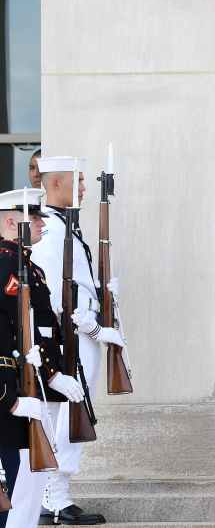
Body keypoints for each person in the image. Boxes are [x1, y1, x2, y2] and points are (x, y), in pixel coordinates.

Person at [31, 157, 122, 525]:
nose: (83, 188)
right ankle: (55, 497)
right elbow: (53, 295)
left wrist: (103, 294)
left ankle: (55, 495)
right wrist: (93, 327)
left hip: (79, 335)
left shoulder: (65, 227)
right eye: (77, 181)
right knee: (63, 417)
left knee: (69, 416)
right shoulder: (51, 231)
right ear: (56, 185)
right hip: (70, 337)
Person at [0, 188, 84, 528]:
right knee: (15, 494)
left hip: (27, 389)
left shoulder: (25, 266)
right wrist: (10, 398)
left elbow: (34, 332)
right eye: (32, 219)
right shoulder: (6, 264)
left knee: (27, 495)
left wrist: (50, 374)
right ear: (9, 221)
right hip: (11, 398)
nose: (40, 225)